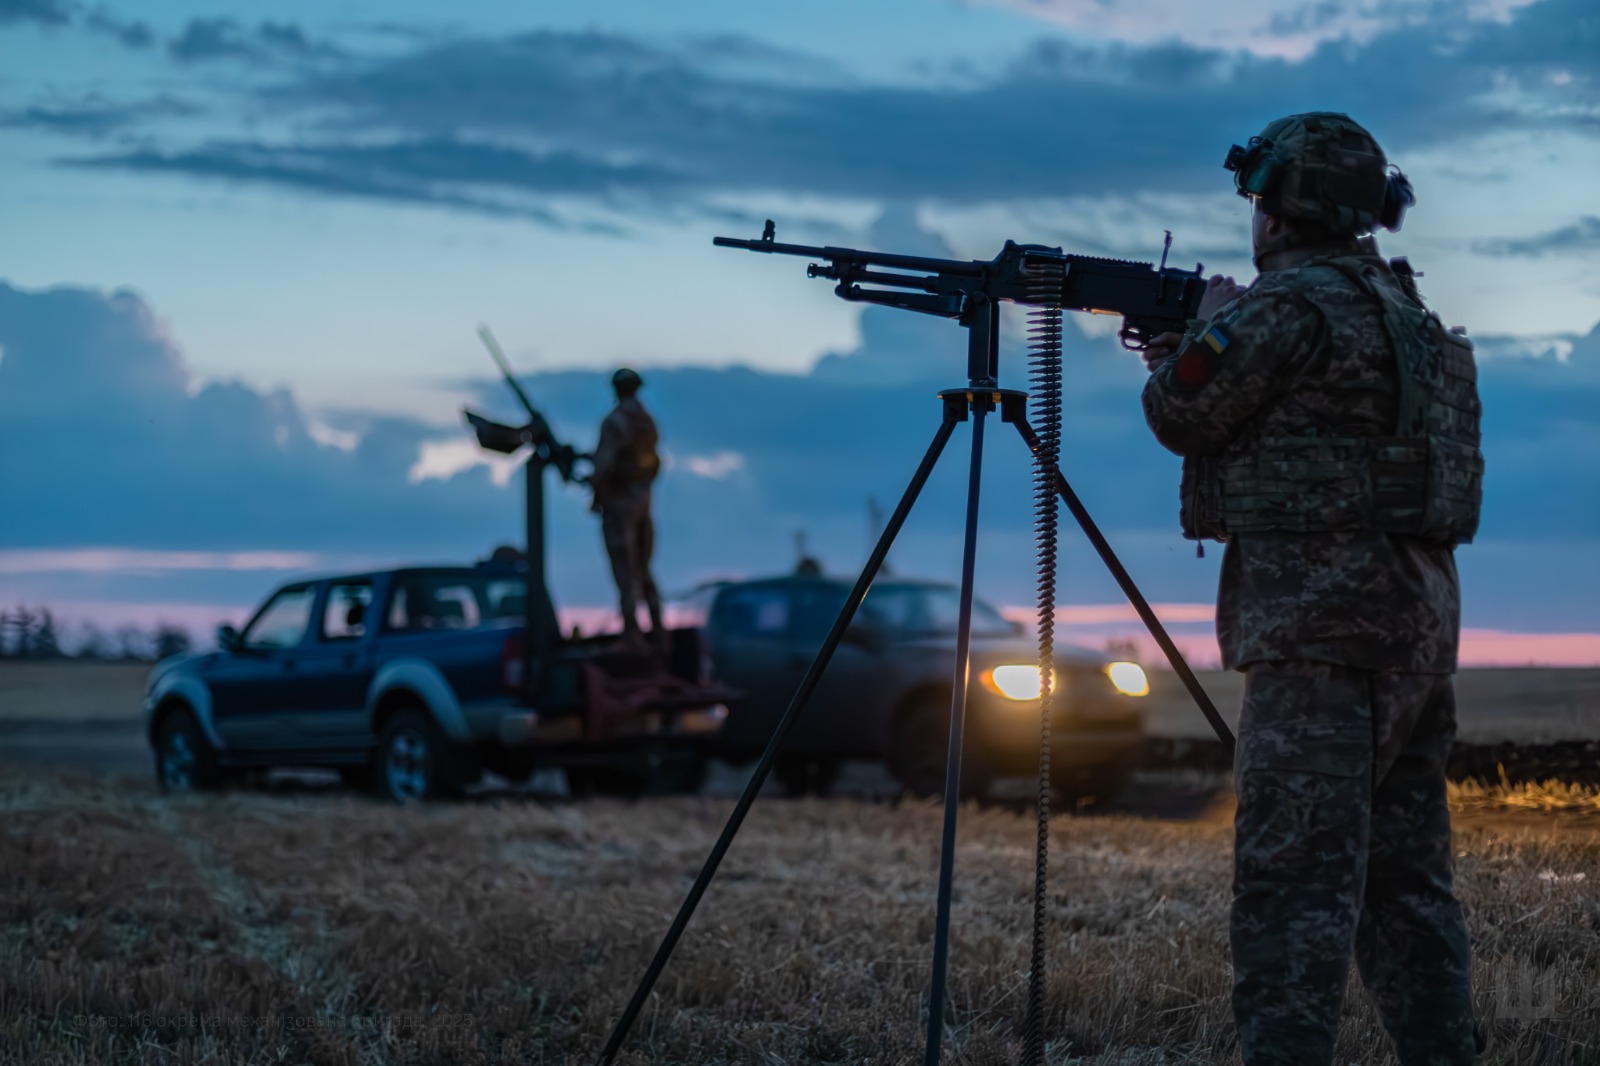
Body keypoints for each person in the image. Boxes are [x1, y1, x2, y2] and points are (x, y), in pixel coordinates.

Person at [1139, 113, 1485, 1064]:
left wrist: (1202, 328)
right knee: (1406, 885)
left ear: (1285, 206)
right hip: (1415, 634)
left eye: (1259, 196)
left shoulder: (1285, 308)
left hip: (1320, 639)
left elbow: (1179, 411)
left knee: (1292, 886)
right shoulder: (1402, 310)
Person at [590, 367, 664, 646]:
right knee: (643, 568)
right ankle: (658, 630)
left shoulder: (616, 421)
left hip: (621, 502)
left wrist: (598, 495)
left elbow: (604, 464)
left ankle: (632, 634)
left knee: (625, 569)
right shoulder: (647, 421)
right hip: (643, 499)